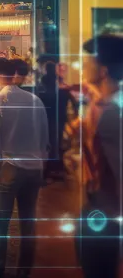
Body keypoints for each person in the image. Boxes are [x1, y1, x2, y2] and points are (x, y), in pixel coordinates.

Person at [0, 58, 48, 278]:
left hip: (8, 169)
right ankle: (23, 271)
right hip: (34, 169)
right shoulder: (35, 101)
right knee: (28, 224)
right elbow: (44, 139)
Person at [77, 34, 123, 278]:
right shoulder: (102, 105)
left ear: (103, 70)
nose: (84, 66)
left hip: (107, 215)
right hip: (99, 209)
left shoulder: (112, 113)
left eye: (89, 61)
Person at [35, 62, 74, 179]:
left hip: (47, 117)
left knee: (48, 143)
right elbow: (73, 103)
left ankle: (48, 169)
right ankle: (58, 167)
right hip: (60, 118)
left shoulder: (43, 85)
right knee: (57, 141)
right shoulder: (63, 89)